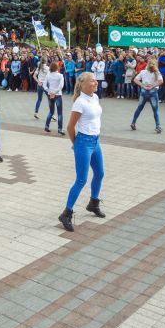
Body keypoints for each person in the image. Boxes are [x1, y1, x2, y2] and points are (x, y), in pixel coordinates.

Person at [58, 73, 105, 232]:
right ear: (83, 84)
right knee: (81, 180)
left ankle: (93, 203)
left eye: (95, 80)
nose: (95, 82)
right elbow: (70, 127)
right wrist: (75, 144)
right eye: (92, 80)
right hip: (83, 142)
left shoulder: (95, 97)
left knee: (99, 173)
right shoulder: (80, 102)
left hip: (95, 141)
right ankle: (66, 213)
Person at [131, 59, 163, 133]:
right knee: (155, 111)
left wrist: (143, 85)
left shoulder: (143, 72)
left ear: (147, 64)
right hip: (153, 92)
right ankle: (158, 126)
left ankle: (133, 123)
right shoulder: (157, 73)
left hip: (143, 92)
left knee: (139, 108)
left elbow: (135, 80)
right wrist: (152, 86)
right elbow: (161, 81)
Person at [44, 62, 65, 135]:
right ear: (57, 68)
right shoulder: (60, 75)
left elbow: (44, 85)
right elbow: (61, 86)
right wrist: (55, 92)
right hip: (58, 95)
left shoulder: (48, 75)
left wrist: (50, 91)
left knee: (51, 111)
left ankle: (47, 126)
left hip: (50, 94)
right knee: (60, 113)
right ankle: (60, 129)